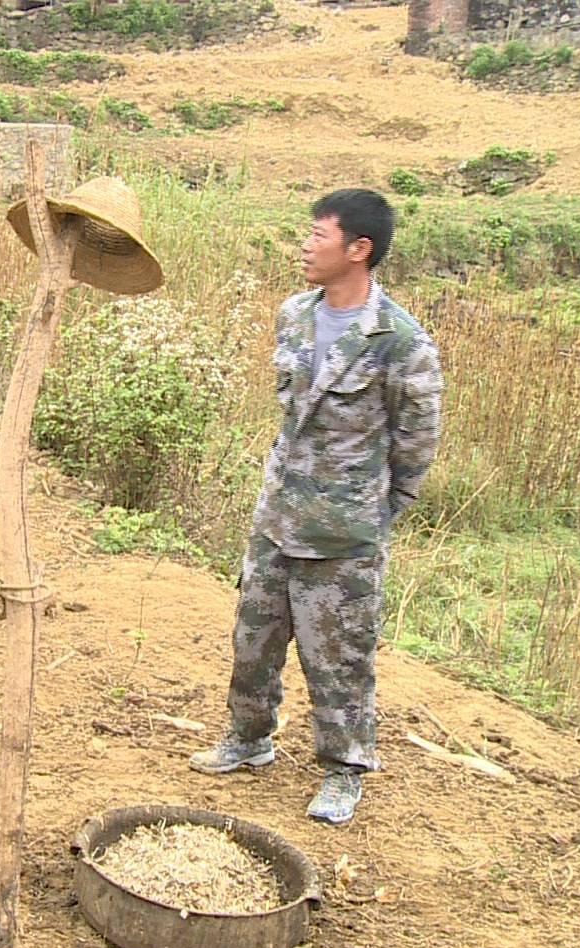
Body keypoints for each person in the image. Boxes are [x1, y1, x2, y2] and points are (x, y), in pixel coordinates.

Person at [189, 188, 443, 825]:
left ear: (360, 250)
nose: (306, 245)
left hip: (344, 530)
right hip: (277, 516)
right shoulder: (295, 315)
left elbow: (417, 438)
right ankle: (249, 739)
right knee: (254, 638)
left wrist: (379, 511)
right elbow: (289, 411)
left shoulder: (398, 340)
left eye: (319, 235)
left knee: (339, 655)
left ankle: (343, 768)